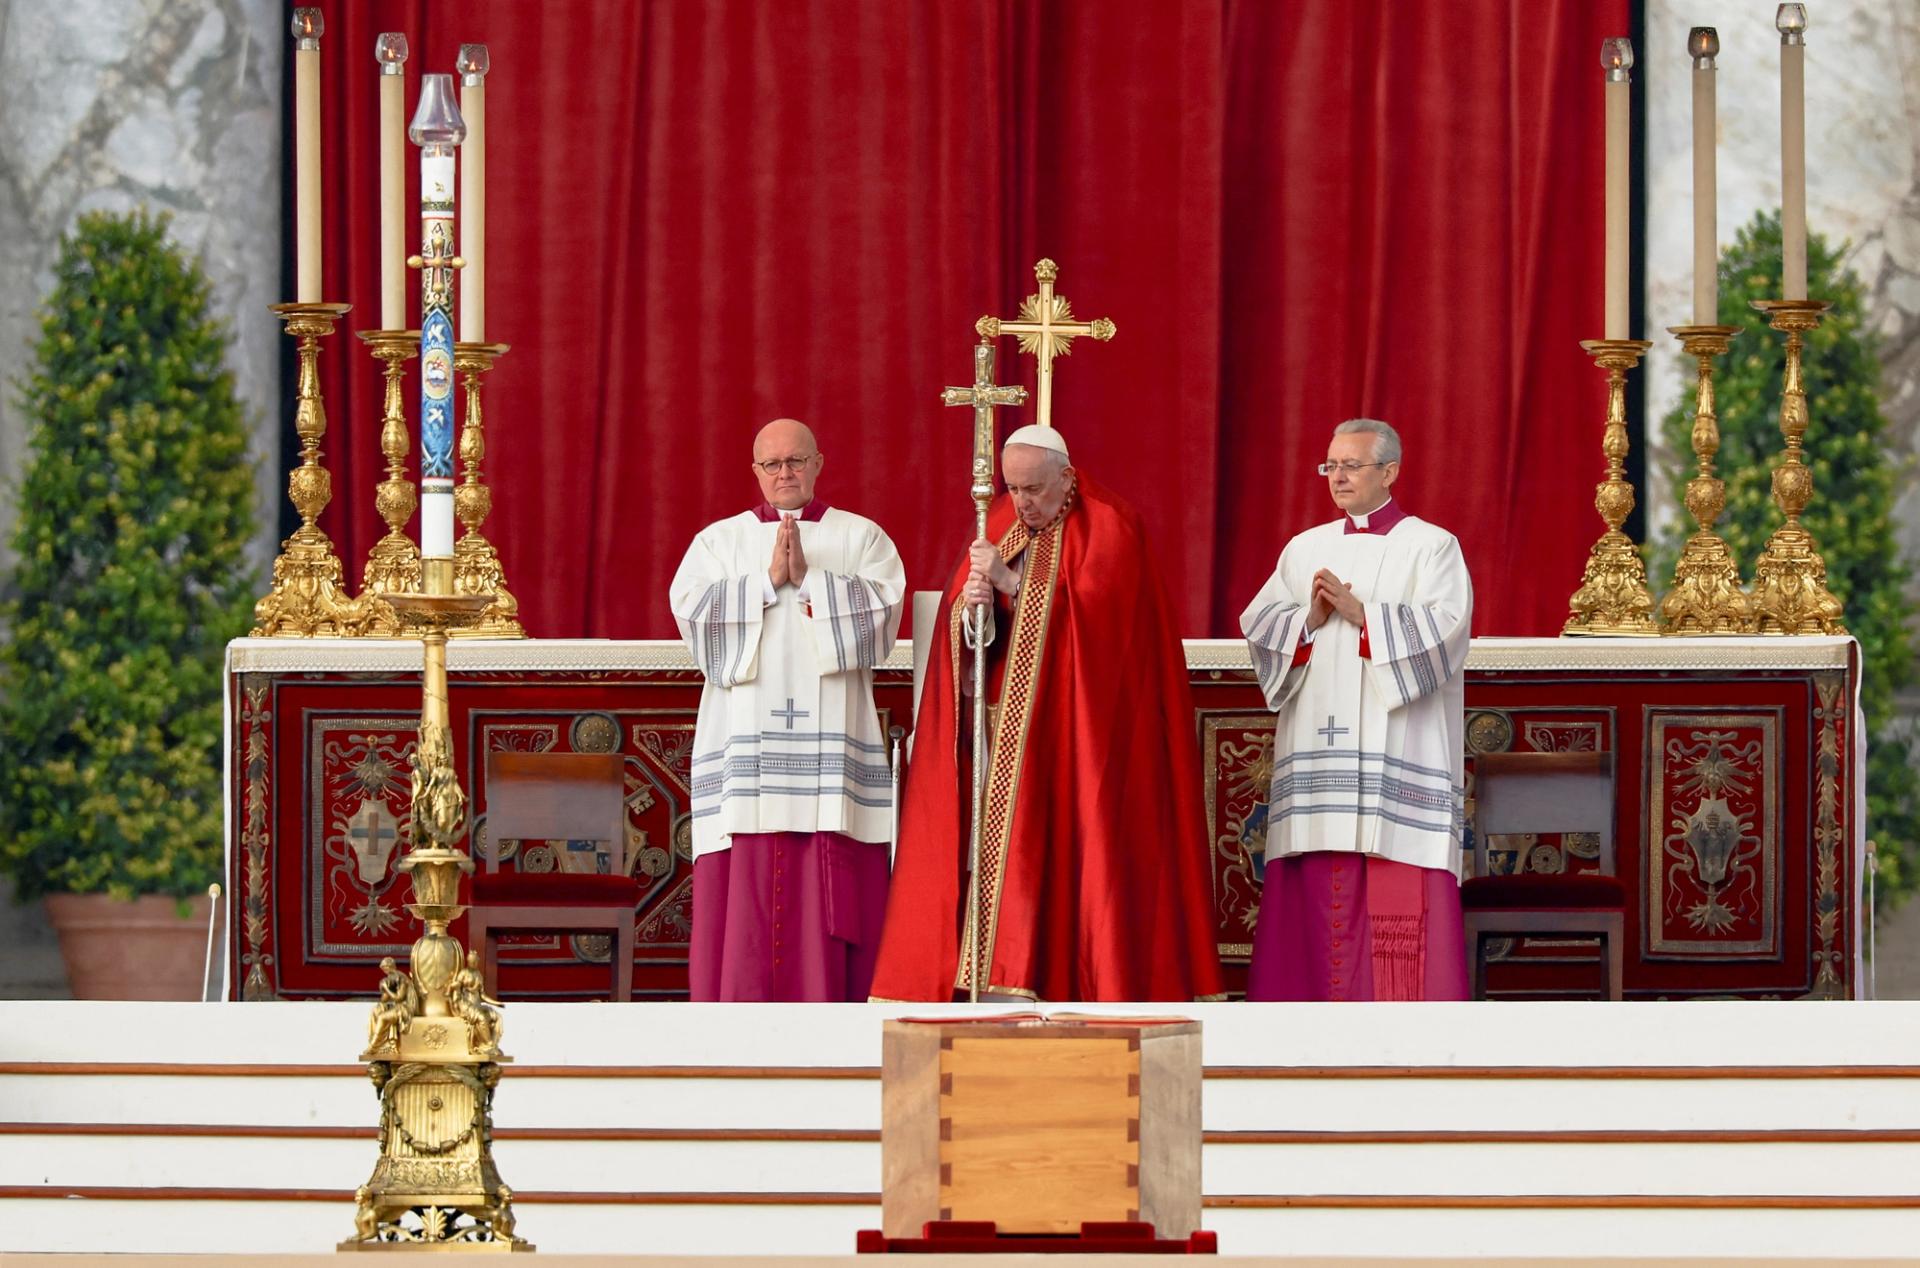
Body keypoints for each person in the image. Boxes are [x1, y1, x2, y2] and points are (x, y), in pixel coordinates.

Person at [870, 425, 1223, 1002]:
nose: (1024, 503)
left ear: (1066, 477)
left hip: (1087, 741)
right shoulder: (1004, 521)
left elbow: (1102, 629)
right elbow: (973, 637)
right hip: (1014, 739)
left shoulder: (1111, 524)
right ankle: (1008, 976)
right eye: (1013, 488)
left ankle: (1096, 980)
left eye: (1033, 489)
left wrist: (1012, 582)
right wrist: (976, 612)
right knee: (1019, 856)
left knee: (1088, 856)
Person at [670, 418, 906, 1000]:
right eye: (772, 464)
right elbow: (693, 619)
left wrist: (812, 580)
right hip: (746, 759)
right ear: (755, 471)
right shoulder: (718, 542)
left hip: (832, 767)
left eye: (795, 461)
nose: (784, 473)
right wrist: (765, 581)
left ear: (819, 463)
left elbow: (880, 622)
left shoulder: (861, 538)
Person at [1238, 418, 1472, 1000]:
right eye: (1330, 466)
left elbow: (1445, 633)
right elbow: (1262, 630)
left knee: (1397, 871)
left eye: (1351, 465)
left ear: (1389, 471)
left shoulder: (1431, 545)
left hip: (1398, 748)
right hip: (1318, 750)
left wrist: (1363, 614)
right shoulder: (1305, 548)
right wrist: (1308, 621)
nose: (1337, 477)